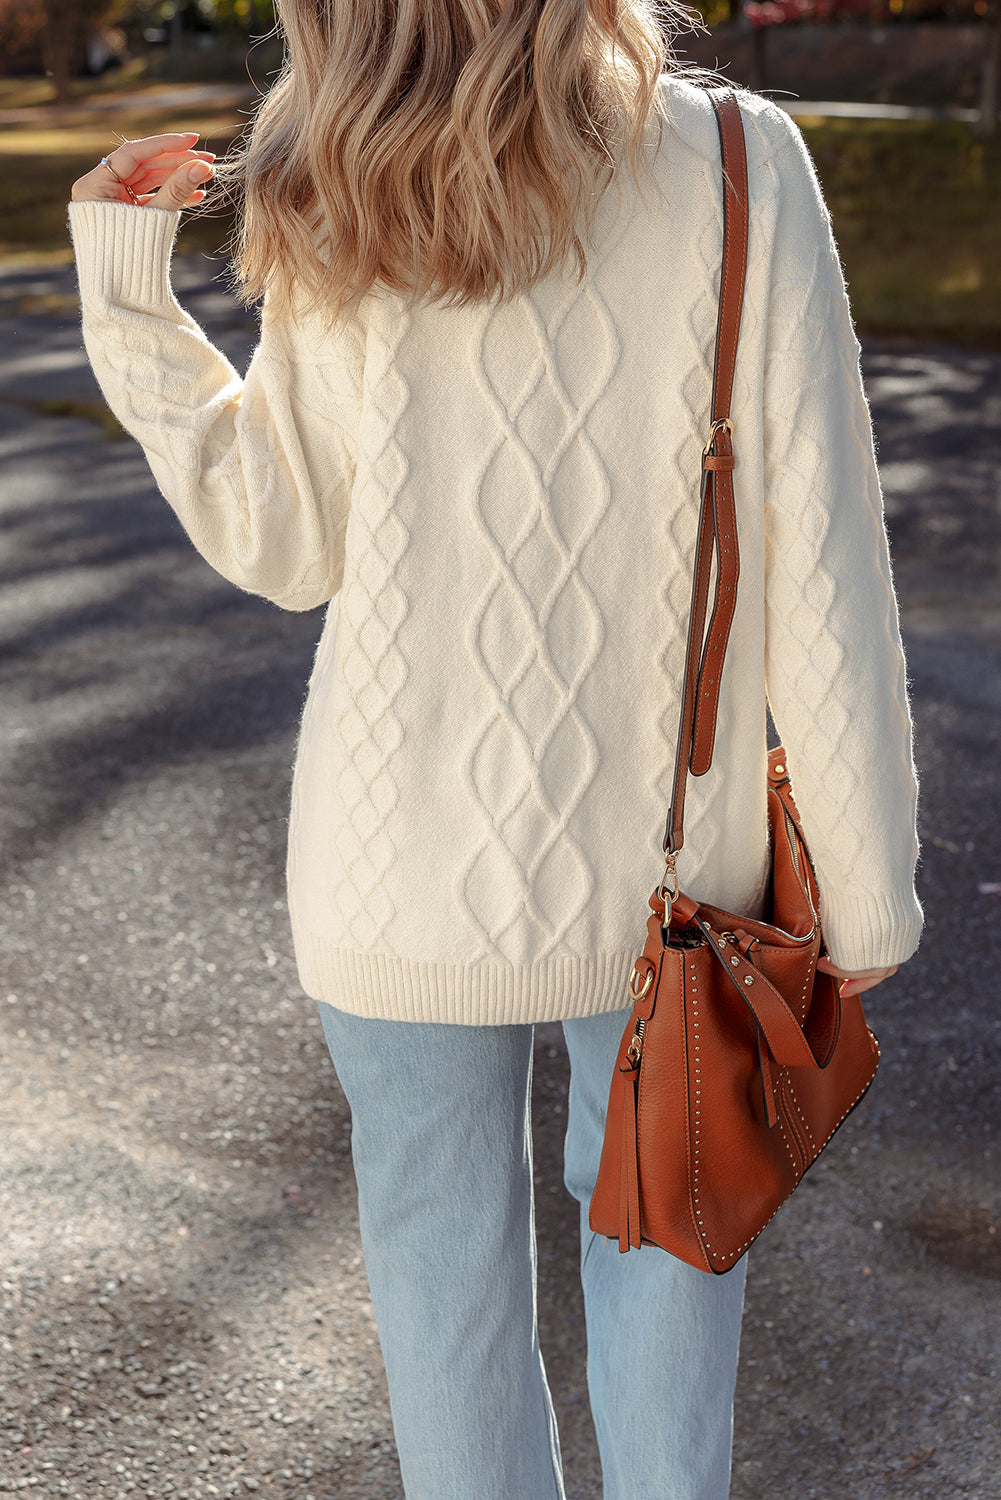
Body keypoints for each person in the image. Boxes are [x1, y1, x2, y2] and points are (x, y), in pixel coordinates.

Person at [68, 2, 923, 1494]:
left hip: (384, 859)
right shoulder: (736, 156)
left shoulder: (330, 171)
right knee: (671, 1248)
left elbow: (284, 541)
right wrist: (864, 884)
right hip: (671, 867)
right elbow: (823, 557)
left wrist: (132, 306)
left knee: (437, 1282)